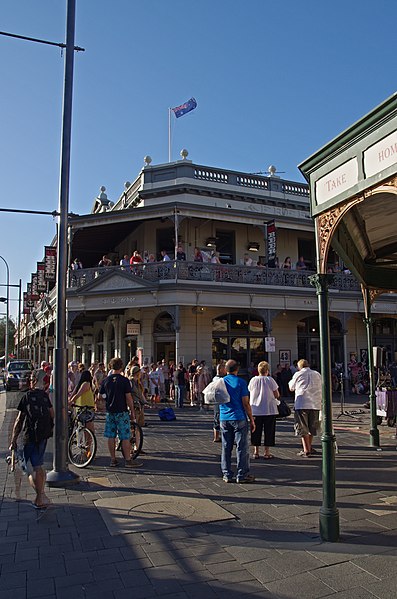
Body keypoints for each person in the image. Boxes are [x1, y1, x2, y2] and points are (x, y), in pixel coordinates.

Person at [9, 373, 54, 509]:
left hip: (30, 436)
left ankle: (40, 497)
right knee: (38, 465)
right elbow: (52, 414)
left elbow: (19, 420)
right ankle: (41, 495)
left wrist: (13, 439)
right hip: (44, 434)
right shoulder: (44, 396)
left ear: (32, 382)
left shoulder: (26, 397)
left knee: (30, 469)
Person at [100, 357, 142, 468]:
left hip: (110, 411)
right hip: (122, 411)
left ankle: (113, 459)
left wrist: (107, 399)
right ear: (121, 367)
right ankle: (128, 460)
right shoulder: (124, 381)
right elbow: (128, 397)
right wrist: (132, 411)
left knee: (111, 436)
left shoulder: (106, 380)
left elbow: (101, 395)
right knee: (124, 436)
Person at [219, 359, 256, 483]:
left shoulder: (221, 382)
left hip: (224, 417)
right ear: (237, 369)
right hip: (239, 416)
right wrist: (251, 419)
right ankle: (242, 474)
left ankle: (226, 474)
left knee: (226, 446)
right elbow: (246, 403)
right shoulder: (241, 382)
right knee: (242, 447)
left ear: (225, 369)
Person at [289, 359, 322, 457]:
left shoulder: (298, 374)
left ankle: (306, 449)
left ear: (299, 367)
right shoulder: (317, 374)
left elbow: (291, 387)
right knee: (312, 427)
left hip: (302, 403)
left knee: (302, 427)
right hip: (315, 402)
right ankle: (309, 446)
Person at [248, 361, 280, 459]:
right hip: (269, 409)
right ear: (267, 370)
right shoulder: (270, 380)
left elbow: (249, 390)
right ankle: (267, 452)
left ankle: (256, 451)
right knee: (269, 431)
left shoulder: (253, 380)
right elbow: (276, 394)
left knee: (255, 430)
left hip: (256, 409)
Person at [69, 369, 96, 434]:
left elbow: (74, 394)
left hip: (81, 407)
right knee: (90, 429)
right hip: (86, 407)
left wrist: (70, 401)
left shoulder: (80, 385)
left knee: (85, 427)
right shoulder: (86, 384)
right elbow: (78, 394)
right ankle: (88, 443)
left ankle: (85, 442)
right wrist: (71, 401)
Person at [212, 362, 226, 442]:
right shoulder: (220, 379)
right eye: (224, 368)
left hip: (217, 401)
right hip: (221, 401)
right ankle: (217, 436)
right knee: (218, 418)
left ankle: (216, 436)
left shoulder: (214, 378)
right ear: (220, 369)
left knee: (216, 418)